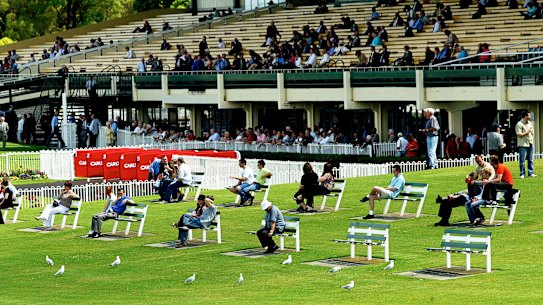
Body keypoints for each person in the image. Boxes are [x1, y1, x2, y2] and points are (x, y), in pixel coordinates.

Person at [515, 111, 536, 178]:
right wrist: (527, 132)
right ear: (525, 116)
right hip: (523, 144)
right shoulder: (519, 124)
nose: (530, 117)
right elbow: (519, 134)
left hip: (530, 142)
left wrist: (531, 133)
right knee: (522, 160)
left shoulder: (530, 123)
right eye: (529, 115)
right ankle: (522, 174)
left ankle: (531, 173)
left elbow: (532, 131)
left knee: (530, 159)